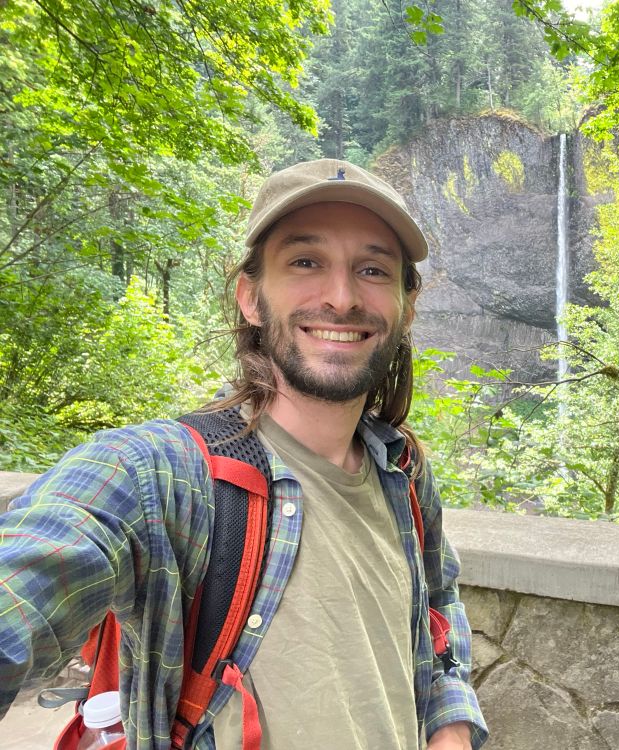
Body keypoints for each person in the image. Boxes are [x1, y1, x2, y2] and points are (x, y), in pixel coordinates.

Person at [0, 159, 488, 749]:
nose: (341, 297)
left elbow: (438, 604)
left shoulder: (402, 470)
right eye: (305, 262)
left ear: (405, 309)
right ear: (251, 298)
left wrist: (452, 728)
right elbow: (36, 568)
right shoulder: (162, 473)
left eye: (373, 269)